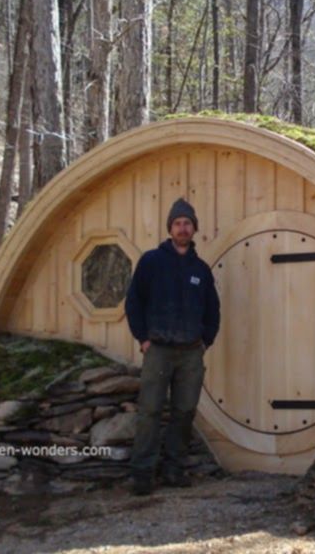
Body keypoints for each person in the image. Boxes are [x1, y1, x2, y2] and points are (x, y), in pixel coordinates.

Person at [125, 198, 220, 495]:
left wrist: (205, 341)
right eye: (178, 223)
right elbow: (134, 302)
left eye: (187, 223)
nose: (183, 228)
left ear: (194, 230)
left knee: (184, 411)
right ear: (170, 228)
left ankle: (174, 469)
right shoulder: (152, 261)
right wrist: (143, 338)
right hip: (158, 350)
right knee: (150, 410)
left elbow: (213, 310)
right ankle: (142, 473)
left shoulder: (201, 270)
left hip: (191, 352)